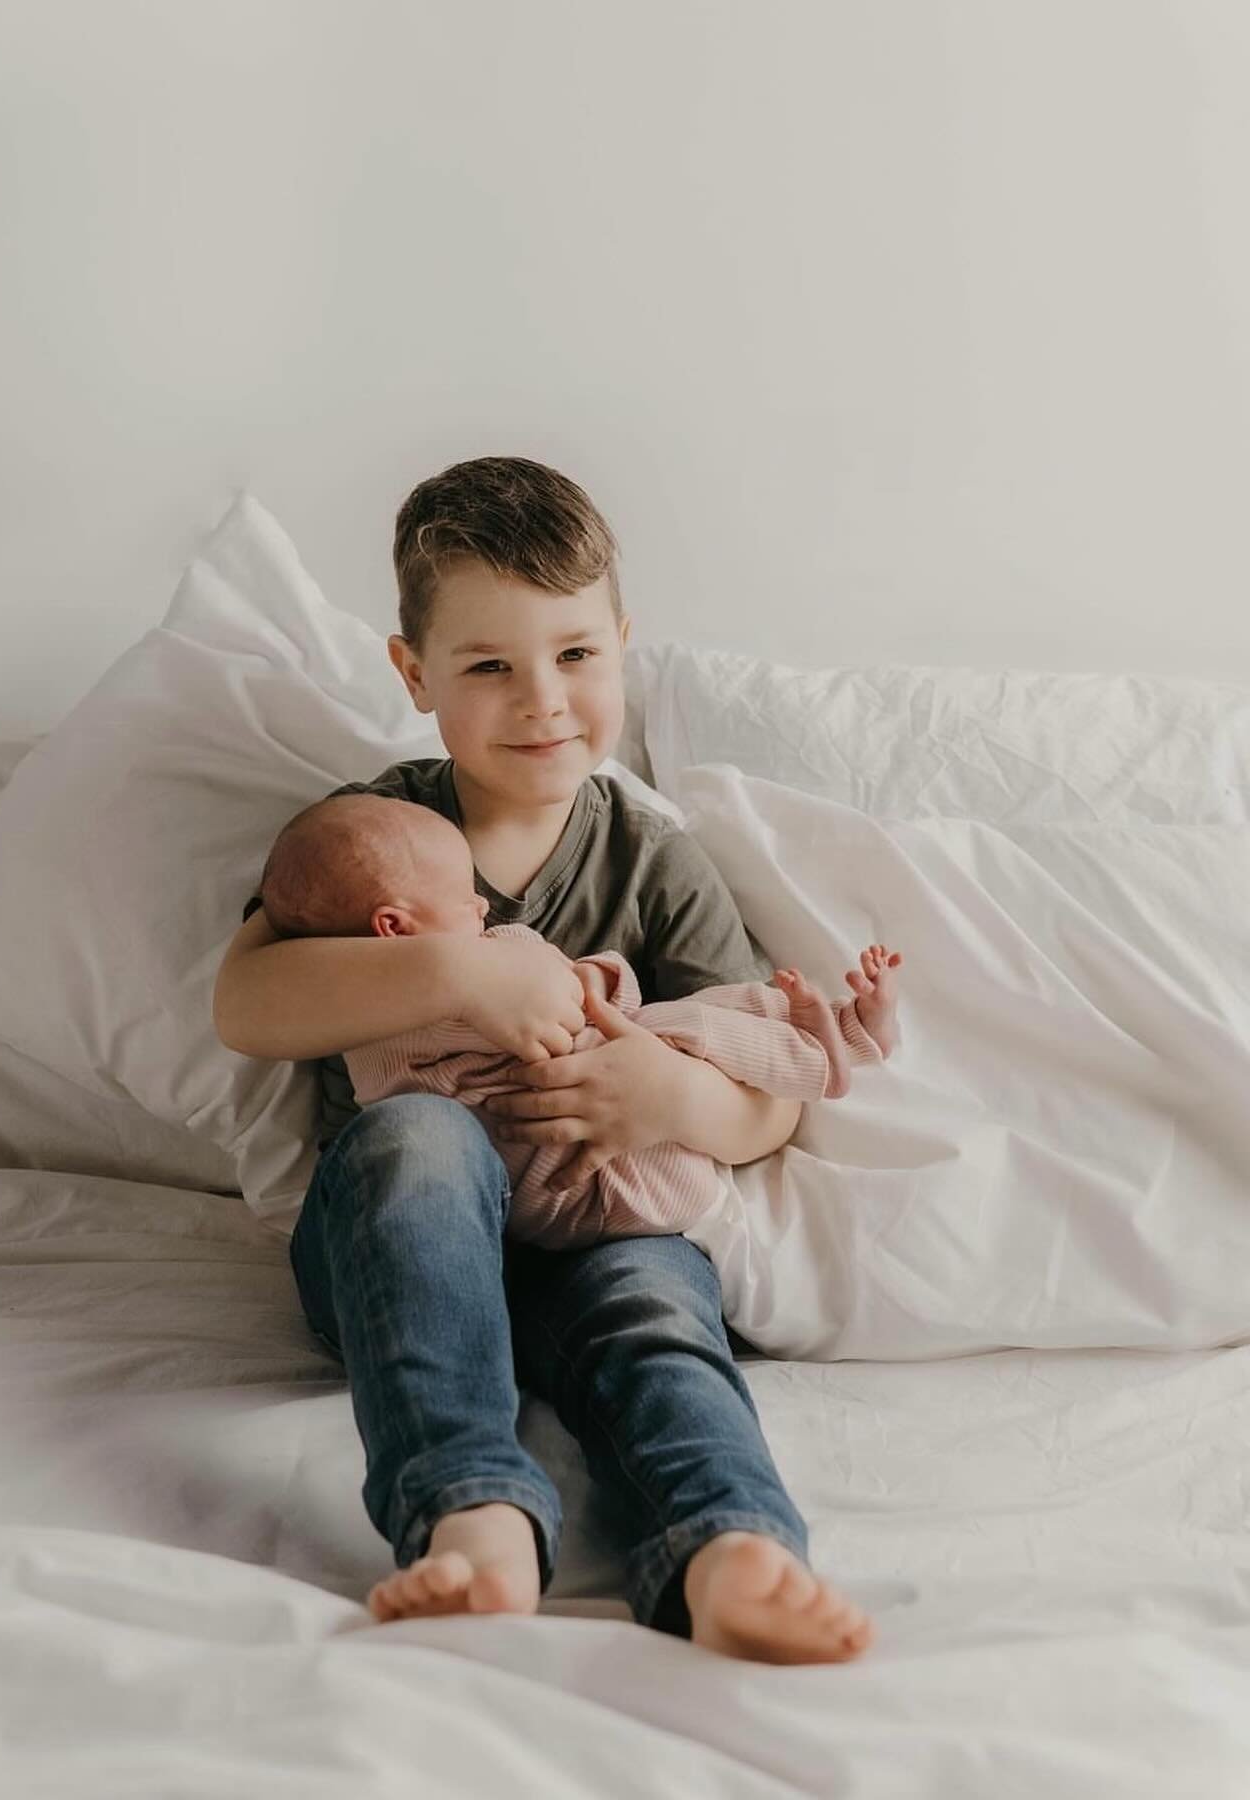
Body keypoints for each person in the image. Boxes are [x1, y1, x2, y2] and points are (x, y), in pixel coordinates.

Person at [213, 455, 877, 1662]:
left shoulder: (651, 861)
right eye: (487, 666)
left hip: (601, 1226)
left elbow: (766, 1087)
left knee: (659, 1308)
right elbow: (245, 1002)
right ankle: (471, 1517)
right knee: (416, 1136)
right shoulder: (373, 836)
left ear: (622, 645)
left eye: (575, 655)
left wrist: (675, 1094)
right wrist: (461, 970)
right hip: (394, 1254)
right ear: (414, 674)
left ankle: (731, 1546)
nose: (542, 701)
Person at [255, 789, 903, 1249]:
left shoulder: (359, 1022)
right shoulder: (443, 987)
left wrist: (669, 1088)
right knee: (685, 1027)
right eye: (462, 896)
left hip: (585, 1183)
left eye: (574, 654)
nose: (482, 903)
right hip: (617, 1183)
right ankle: (833, 1046)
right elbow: (583, 1009)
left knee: (670, 1040)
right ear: (394, 928)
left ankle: (830, 1042)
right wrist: (596, 978)